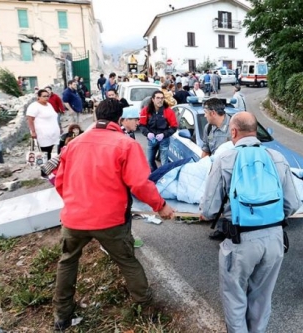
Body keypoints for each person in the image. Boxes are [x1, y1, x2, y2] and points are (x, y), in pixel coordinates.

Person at [52, 99, 175, 331]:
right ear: (119, 119)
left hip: (74, 219)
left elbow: (60, 182)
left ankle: (62, 315)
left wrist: (75, 202)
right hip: (110, 220)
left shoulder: (73, 144)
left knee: (67, 262)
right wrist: (160, 206)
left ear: (97, 115)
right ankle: (146, 307)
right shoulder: (125, 144)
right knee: (127, 261)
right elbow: (140, 184)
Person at [200, 112, 301, 333]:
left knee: (235, 296)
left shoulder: (225, 160)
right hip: (274, 240)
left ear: (233, 132)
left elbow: (208, 210)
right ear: (255, 131)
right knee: (262, 296)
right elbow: (292, 204)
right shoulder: (277, 158)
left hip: (240, 241)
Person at [202, 98, 232, 240]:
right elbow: (206, 150)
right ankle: (221, 228)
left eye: (205, 112)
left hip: (231, 172)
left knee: (230, 201)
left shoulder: (234, 127)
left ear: (213, 113)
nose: (204, 115)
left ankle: (231, 228)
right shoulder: (208, 128)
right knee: (217, 198)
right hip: (215, 170)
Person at [139, 91, 178, 171]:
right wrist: (148, 133)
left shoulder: (168, 111)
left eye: (162, 98)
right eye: (157, 98)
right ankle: (156, 174)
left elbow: (174, 127)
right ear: (153, 99)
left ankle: (164, 177)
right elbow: (141, 125)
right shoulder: (145, 111)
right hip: (151, 139)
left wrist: (164, 134)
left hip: (164, 139)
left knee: (164, 162)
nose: (160, 100)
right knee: (150, 161)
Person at [26, 89, 61, 160]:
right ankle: (44, 170)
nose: (46, 98)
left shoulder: (49, 105)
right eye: (44, 96)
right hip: (43, 135)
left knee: (49, 153)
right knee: (44, 154)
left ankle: (48, 169)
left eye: (48, 96)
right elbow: (30, 119)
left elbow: (53, 117)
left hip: (52, 134)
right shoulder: (34, 106)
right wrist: (33, 132)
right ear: (38, 97)